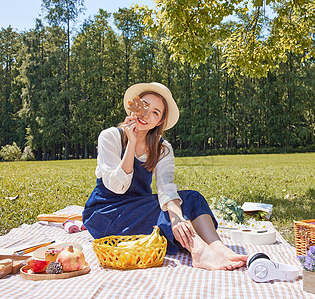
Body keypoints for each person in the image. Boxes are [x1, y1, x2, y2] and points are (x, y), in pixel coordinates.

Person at [83, 82, 247, 270]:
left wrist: (178, 218)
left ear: (160, 121)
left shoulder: (163, 148)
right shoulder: (110, 136)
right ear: (133, 106)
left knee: (191, 199)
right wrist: (131, 143)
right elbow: (117, 186)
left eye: (155, 112)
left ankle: (219, 248)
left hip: (140, 206)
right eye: (143, 105)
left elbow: (166, 186)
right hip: (107, 212)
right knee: (163, 212)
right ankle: (198, 251)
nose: (145, 115)